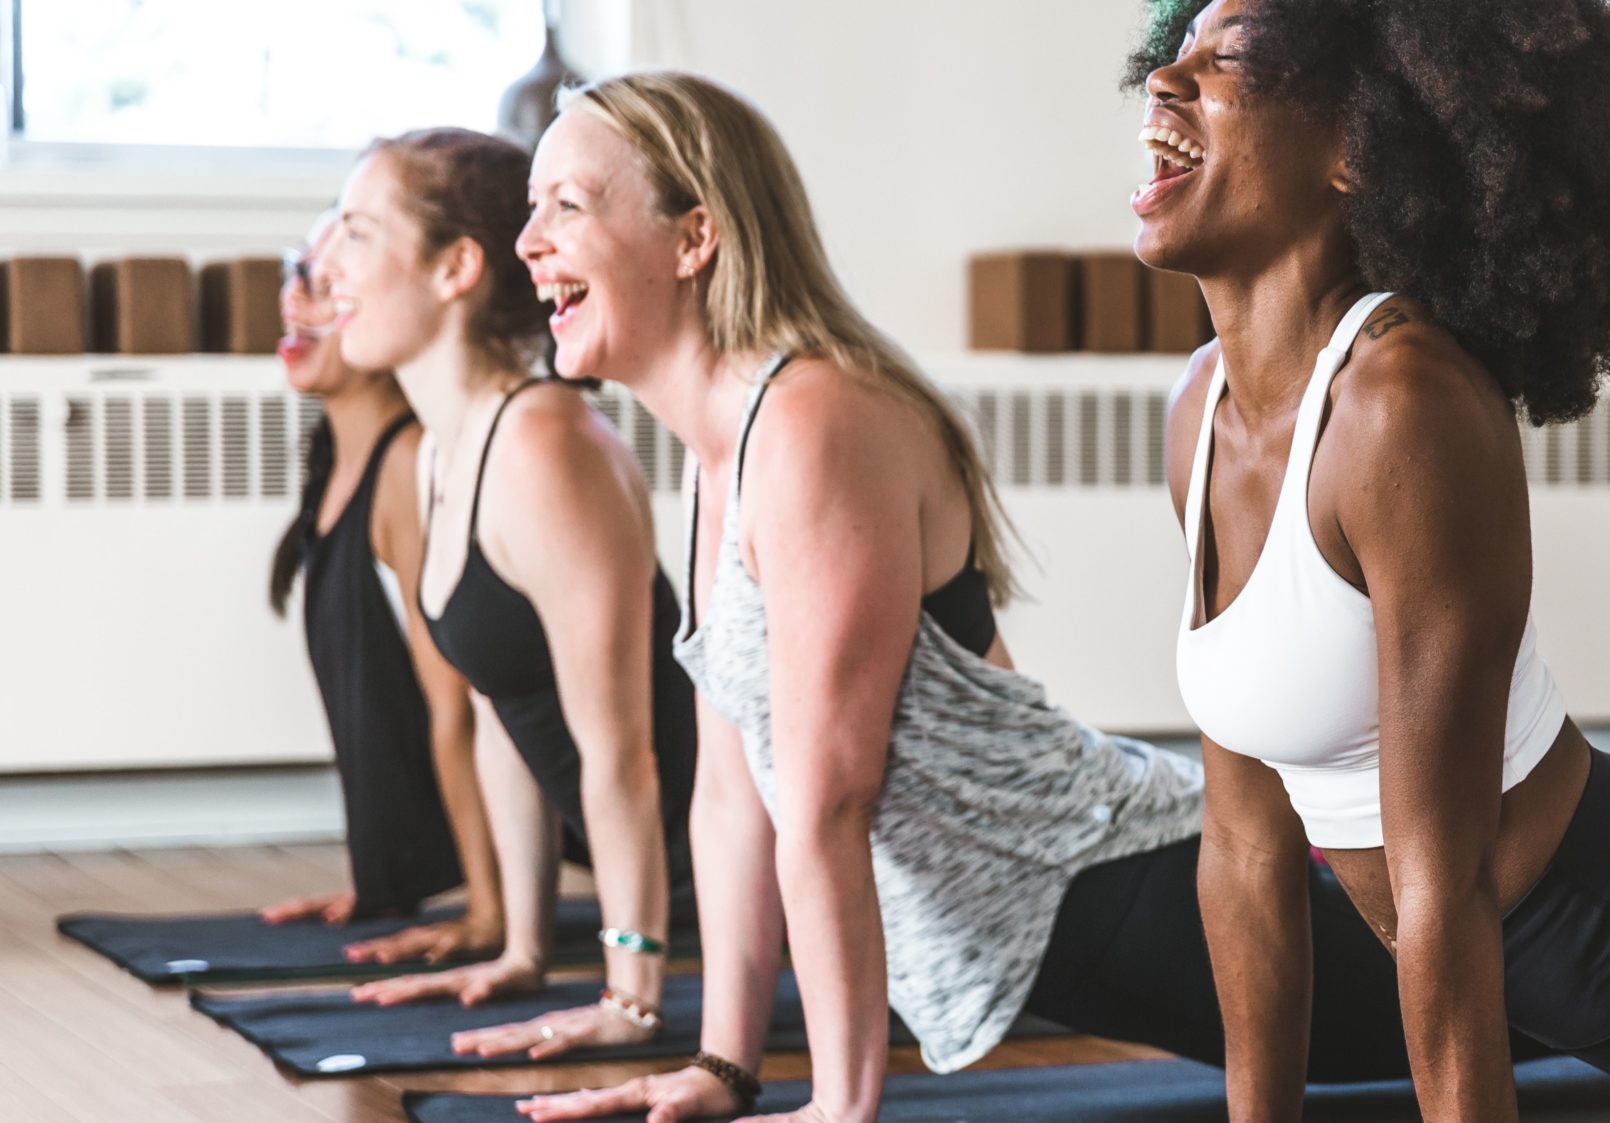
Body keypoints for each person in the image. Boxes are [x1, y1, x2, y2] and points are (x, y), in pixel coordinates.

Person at [507, 72, 1461, 1123]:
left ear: (695, 238)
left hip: (1124, 883)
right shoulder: (712, 454)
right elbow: (737, 792)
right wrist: (724, 1070)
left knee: (1524, 1001)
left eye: (567, 204)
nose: (529, 241)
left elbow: (831, 794)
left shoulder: (813, 418)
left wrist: (839, 1105)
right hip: (1069, 913)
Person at [1130, 3, 1610, 1120]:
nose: (1164, 80)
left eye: (1224, 57)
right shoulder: (1199, 410)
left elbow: (1448, 881)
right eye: (1171, 49)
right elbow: (1243, 845)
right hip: (1549, 968)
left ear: (1352, 151)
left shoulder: (1399, 406)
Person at [315, 126, 699, 1060]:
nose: (327, 265)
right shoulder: (450, 446)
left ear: (456, 268)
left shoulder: (542, 443)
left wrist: (631, 997)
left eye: (358, 233)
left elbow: (626, 754)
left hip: (754, 875)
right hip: (679, 876)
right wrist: (523, 947)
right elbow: (505, 706)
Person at [261, 211, 506, 966]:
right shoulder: (340, 459)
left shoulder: (407, 460)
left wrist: (491, 916)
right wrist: (381, 885)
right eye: (295, 275)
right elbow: (374, 701)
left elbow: (457, 704)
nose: (295, 303)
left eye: (324, 285)